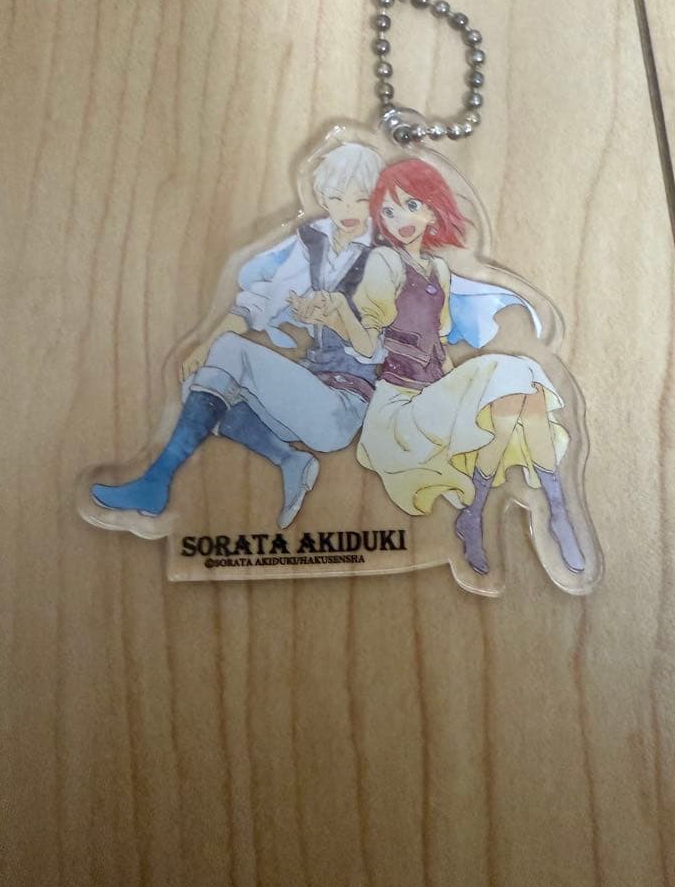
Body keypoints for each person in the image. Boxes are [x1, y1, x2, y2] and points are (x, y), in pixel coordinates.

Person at [296, 158, 585, 574]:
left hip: (435, 397)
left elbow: (442, 346)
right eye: (389, 212)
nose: (400, 220)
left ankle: (530, 512)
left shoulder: (439, 270)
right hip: (399, 410)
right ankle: (541, 513)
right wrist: (340, 311)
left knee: (523, 393)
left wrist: (468, 400)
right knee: (517, 374)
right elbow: (369, 346)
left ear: (432, 210)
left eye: (411, 206)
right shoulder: (385, 263)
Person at [90, 142, 386, 528]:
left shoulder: (386, 257)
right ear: (322, 197)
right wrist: (205, 345)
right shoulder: (315, 241)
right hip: (304, 397)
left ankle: (156, 482)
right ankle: (288, 459)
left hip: (343, 408)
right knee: (200, 380)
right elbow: (261, 300)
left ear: (376, 198)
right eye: (336, 197)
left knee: (226, 352)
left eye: (360, 198)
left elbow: (380, 344)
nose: (348, 210)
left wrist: (337, 320)